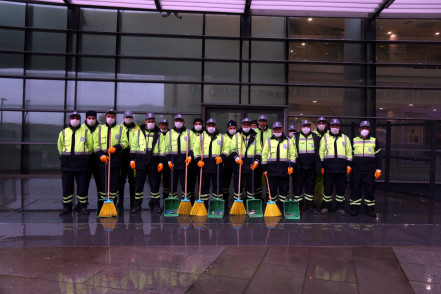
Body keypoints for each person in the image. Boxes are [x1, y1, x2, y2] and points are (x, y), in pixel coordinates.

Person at [93, 109, 129, 214]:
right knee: (103, 182)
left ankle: (113, 203)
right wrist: (100, 155)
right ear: (105, 117)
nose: (110, 118)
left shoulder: (121, 129)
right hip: (102, 159)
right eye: (108, 116)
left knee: (114, 183)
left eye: (112, 116)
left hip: (115, 159)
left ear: (115, 118)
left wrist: (116, 148)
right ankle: (103, 204)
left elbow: (125, 142)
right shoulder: (99, 129)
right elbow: (95, 144)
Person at [57, 111, 93, 215]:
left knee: (82, 185)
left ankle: (82, 206)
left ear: (80, 120)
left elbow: (90, 147)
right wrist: (65, 156)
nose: (75, 120)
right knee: (67, 185)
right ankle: (67, 207)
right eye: (73, 118)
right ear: (69, 120)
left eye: (77, 118)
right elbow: (60, 146)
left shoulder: (86, 132)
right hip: (67, 163)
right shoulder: (63, 132)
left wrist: (83, 154)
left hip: (82, 163)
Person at [129, 113, 163, 213]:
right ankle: (137, 205)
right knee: (139, 185)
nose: (150, 123)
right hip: (140, 161)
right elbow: (134, 146)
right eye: (149, 121)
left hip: (154, 161)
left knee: (155, 185)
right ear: (145, 122)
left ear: (155, 122)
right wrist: (132, 159)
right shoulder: (139, 132)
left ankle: (155, 204)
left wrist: (161, 161)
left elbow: (162, 148)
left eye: (152, 121)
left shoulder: (159, 133)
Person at [319, 118, 353, 215]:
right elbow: (321, 152)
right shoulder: (325, 138)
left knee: (341, 189)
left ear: (340, 127)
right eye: (333, 126)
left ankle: (340, 207)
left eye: (337, 126)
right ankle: (326, 206)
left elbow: (349, 152)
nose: (335, 128)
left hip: (341, 169)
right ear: (329, 127)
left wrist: (349, 165)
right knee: (327, 189)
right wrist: (322, 165)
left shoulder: (345, 138)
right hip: (328, 168)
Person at [194, 118, 230, 208]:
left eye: (212, 125)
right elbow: (196, 149)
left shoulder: (222, 137)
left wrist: (222, 157)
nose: (211, 127)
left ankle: (217, 206)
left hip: (217, 166)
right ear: (206, 126)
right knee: (203, 188)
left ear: (216, 126)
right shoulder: (201, 137)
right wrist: (198, 160)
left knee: (217, 188)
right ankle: (204, 206)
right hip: (204, 166)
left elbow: (227, 148)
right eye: (209, 125)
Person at [261, 121, 296, 209]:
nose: (277, 131)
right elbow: (264, 155)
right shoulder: (268, 141)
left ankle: (282, 207)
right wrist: (264, 169)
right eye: (275, 129)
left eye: (279, 129)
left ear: (282, 129)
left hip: (284, 170)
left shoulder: (288, 141)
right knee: (271, 190)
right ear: (273, 130)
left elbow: (292, 155)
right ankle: (272, 207)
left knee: (283, 190)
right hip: (271, 170)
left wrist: (291, 166)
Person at [350, 121, 381, 217]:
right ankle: (355, 208)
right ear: (359, 129)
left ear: (369, 130)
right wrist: (349, 165)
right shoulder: (354, 140)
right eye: (363, 128)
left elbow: (378, 156)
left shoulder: (374, 141)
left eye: (366, 128)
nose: (364, 130)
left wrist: (379, 168)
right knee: (355, 188)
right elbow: (350, 154)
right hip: (356, 169)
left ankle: (370, 209)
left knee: (370, 189)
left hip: (370, 169)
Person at [230, 118, 261, 202]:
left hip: (251, 163)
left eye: (248, 125)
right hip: (239, 163)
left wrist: (256, 161)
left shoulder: (255, 136)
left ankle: (250, 203)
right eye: (244, 124)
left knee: (251, 185)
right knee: (238, 185)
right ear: (241, 125)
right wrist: (236, 158)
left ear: (250, 126)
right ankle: (238, 202)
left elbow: (258, 150)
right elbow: (232, 149)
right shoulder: (236, 136)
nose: (246, 126)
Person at [293, 120, 321, 213]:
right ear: (301, 127)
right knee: (298, 187)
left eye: (308, 126)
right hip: (299, 168)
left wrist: (318, 166)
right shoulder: (295, 137)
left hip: (311, 168)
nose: (306, 128)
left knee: (310, 187)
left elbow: (318, 153)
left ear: (310, 127)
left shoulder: (315, 137)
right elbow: (292, 151)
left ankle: (310, 205)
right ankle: (299, 206)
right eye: (304, 126)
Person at [163, 114, 193, 201]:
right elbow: (166, 148)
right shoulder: (169, 133)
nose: (178, 122)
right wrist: (168, 160)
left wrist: (190, 156)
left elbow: (193, 146)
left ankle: (186, 201)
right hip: (173, 162)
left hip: (185, 162)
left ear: (183, 122)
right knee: (172, 184)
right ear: (174, 122)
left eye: (180, 121)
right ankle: (173, 201)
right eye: (177, 121)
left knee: (185, 184)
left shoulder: (189, 132)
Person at [77, 110, 100, 213]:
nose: (91, 120)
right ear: (86, 119)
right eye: (89, 118)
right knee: (83, 183)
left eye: (93, 118)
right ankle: (82, 204)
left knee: (100, 183)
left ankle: (101, 204)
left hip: (98, 159)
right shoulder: (80, 128)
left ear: (96, 119)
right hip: (84, 160)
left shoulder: (101, 128)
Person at [118, 110, 139, 209]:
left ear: (133, 118)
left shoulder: (138, 129)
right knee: (121, 181)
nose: (128, 119)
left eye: (130, 117)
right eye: (126, 117)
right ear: (123, 118)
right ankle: (120, 202)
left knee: (133, 181)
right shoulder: (119, 128)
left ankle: (133, 202)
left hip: (133, 158)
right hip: (122, 158)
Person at [313, 116, 328, 211]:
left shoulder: (329, 134)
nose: (321, 125)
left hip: (326, 164)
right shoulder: (312, 134)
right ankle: (313, 203)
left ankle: (323, 203)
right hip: (314, 163)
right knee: (314, 185)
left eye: (323, 123)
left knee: (324, 185)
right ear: (317, 124)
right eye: (319, 123)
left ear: (326, 124)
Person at [222, 120, 237, 210]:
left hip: (237, 162)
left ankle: (236, 202)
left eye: (234, 128)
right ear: (228, 128)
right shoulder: (223, 137)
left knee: (236, 183)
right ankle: (225, 200)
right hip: (227, 163)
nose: (232, 130)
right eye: (230, 128)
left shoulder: (239, 136)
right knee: (225, 183)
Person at [188, 118, 204, 201]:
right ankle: (191, 196)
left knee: (201, 180)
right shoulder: (190, 133)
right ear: (193, 125)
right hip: (192, 161)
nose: (198, 125)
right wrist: (190, 156)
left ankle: (200, 197)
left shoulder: (205, 133)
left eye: (199, 123)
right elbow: (191, 147)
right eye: (196, 124)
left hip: (202, 160)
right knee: (191, 180)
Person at [159, 119, 170, 200]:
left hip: (167, 159)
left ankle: (166, 195)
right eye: (162, 125)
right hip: (158, 159)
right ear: (159, 125)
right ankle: (155, 198)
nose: (163, 126)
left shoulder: (170, 134)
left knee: (167, 179)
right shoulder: (157, 133)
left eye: (165, 125)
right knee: (156, 179)